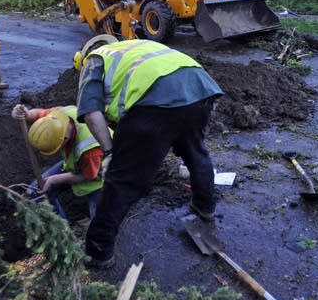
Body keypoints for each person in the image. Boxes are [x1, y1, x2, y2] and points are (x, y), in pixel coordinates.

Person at [74, 38, 223, 269]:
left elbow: (92, 114)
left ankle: (98, 252)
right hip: (200, 88)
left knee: (121, 180)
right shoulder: (134, 47)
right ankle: (205, 208)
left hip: (156, 103)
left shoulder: (94, 60)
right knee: (196, 153)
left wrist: (110, 150)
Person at [12, 104, 113, 221]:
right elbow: (37, 114)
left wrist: (54, 179)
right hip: (78, 165)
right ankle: (62, 231)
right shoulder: (57, 117)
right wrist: (25, 114)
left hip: (102, 178)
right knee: (36, 191)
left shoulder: (90, 148)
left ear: (64, 139)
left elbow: (89, 176)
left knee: (100, 222)